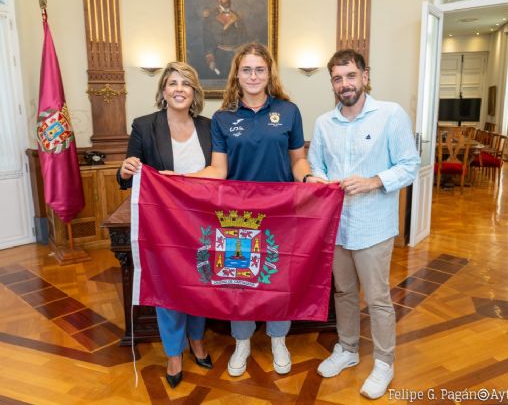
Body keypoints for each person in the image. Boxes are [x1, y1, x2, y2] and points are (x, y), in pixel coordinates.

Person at [190, 42, 324, 377]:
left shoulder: (288, 111)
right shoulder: (222, 118)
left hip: (282, 211)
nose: (253, 76)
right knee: (239, 278)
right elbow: (218, 170)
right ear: (237, 74)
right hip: (237, 215)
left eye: (259, 69)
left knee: (280, 276)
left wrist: (308, 176)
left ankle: (279, 339)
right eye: (246, 69)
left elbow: (297, 160)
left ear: (269, 74)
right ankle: (243, 342)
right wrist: (175, 177)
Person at [307, 49, 420, 399]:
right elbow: (316, 165)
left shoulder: (390, 115)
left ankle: (384, 362)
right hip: (337, 227)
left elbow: (410, 165)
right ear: (332, 84)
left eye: (351, 76)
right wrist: (320, 180)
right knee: (342, 292)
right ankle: (348, 349)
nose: (345, 84)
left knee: (377, 297)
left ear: (365, 76)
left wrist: (373, 181)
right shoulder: (324, 123)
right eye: (338, 79)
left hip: (373, 227)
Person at [117, 61, 213, 389]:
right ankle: (174, 352)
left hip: (202, 223)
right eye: (173, 83)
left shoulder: (209, 127)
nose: (179, 89)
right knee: (169, 288)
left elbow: (220, 173)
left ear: (194, 92)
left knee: (201, 281)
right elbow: (130, 176)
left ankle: (197, 340)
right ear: (163, 91)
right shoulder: (145, 126)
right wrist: (125, 170)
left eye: (186, 83)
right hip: (163, 225)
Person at [202, 0, 247, 79]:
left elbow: (244, 37)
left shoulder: (236, 16)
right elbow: (208, 40)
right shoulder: (211, 17)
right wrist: (210, 59)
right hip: (219, 56)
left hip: (235, 56)